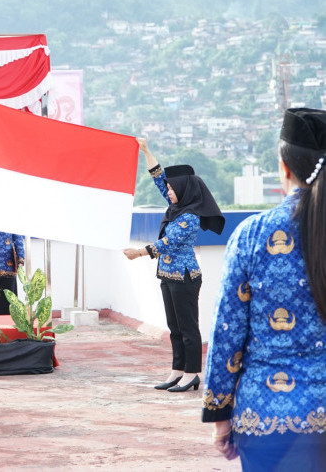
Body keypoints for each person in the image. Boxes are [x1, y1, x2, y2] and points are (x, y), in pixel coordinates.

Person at [202, 108, 326, 470]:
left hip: (266, 420)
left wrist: (219, 415)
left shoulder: (252, 236)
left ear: (284, 168)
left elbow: (227, 333)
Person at [123, 138, 224, 392]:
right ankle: (177, 371)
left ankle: (192, 374)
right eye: (168, 189)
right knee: (174, 328)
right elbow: (158, 177)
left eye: (171, 189)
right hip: (168, 275)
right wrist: (146, 150)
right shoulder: (176, 207)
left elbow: (168, 242)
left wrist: (138, 253)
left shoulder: (189, 217)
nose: (167, 191)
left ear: (184, 190)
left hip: (185, 277)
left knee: (188, 328)